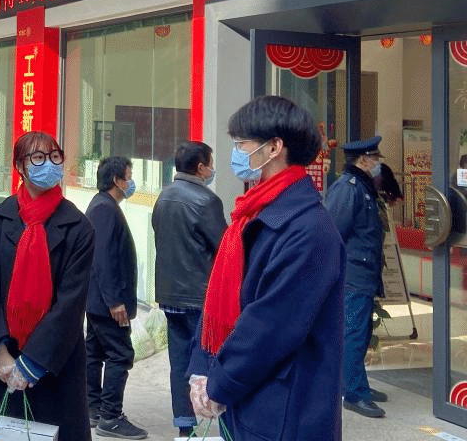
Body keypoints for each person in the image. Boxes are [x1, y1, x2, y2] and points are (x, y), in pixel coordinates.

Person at [188, 95, 344, 441]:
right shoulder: (251, 212)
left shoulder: (310, 229)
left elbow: (270, 326)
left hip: (285, 407)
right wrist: (201, 368)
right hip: (249, 397)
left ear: (274, 147)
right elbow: (218, 298)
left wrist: (219, 383)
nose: (236, 152)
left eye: (241, 143)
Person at [0, 131, 95, 441]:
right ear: (20, 165)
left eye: (55, 157)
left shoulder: (79, 227)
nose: (49, 164)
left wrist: (32, 363)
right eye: (38, 158)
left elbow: (71, 303)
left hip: (54, 362)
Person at [152, 141, 226, 438]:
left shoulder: (164, 196)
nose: (212, 169)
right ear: (200, 167)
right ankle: (221, 423)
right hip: (199, 295)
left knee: (179, 362)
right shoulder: (207, 201)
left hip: (169, 295)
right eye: (210, 164)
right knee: (209, 360)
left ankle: (184, 428)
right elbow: (223, 248)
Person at [324, 135, 388, 419]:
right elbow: (333, 233)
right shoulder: (348, 188)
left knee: (361, 332)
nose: (378, 164)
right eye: (375, 159)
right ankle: (354, 394)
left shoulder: (362, 187)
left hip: (364, 272)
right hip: (353, 274)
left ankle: (357, 383)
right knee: (353, 332)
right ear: (363, 160)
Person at [84, 156, 147, 440]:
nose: (131, 183)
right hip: (106, 303)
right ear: (116, 181)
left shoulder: (103, 205)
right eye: (128, 177)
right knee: (121, 354)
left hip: (99, 301)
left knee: (95, 352)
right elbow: (103, 259)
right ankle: (110, 416)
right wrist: (114, 302)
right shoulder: (104, 209)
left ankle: (93, 407)